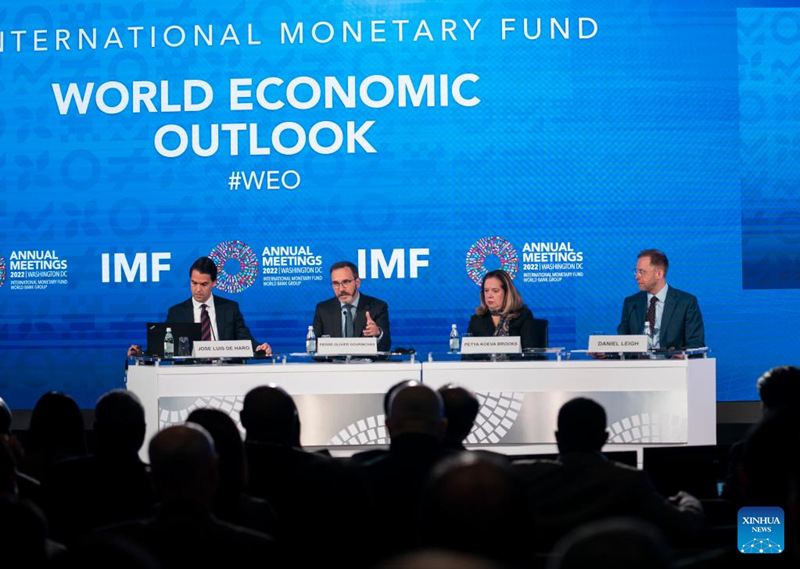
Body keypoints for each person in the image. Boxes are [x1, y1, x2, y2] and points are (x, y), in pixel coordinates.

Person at [514, 397, 703, 551]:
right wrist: (689, 501)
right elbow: (684, 526)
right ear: (604, 438)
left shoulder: (521, 477)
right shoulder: (630, 480)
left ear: (557, 437)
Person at [128, 256, 270, 356]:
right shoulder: (177, 312)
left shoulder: (230, 308)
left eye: (203, 284)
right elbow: (165, 347)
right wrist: (140, 353)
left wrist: (259, 347)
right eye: (194, 283)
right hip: (188, 376)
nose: (198, 289)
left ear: (214, 283)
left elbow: (244, 339)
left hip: (225, 372)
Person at [617, 249, 704, 350]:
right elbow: (622, 343)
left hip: (672, 364)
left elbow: (696, 344)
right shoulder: (631, 303)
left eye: (642, 272)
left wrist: (680, 356)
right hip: (638, 364)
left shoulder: (686, 302)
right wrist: (606, 354)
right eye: (636, 271)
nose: (637, 276)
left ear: (659, 274)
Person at [312, 260, 391, 352]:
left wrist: (378, 333)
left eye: (346, 282)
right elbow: (314, 348)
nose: (341, 289)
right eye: (336, 283)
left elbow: (386, 347)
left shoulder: (377, 307)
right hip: (333, 365)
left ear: (357, 282)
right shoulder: (323, 309)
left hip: (366, 365)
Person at [466, 269, 542, 350]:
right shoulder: (477, 319)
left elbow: (531, 354)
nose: (489, 295)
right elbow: (466, 357)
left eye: (495, 291)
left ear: (507, 293)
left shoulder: (523, 316)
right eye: (486, 290)